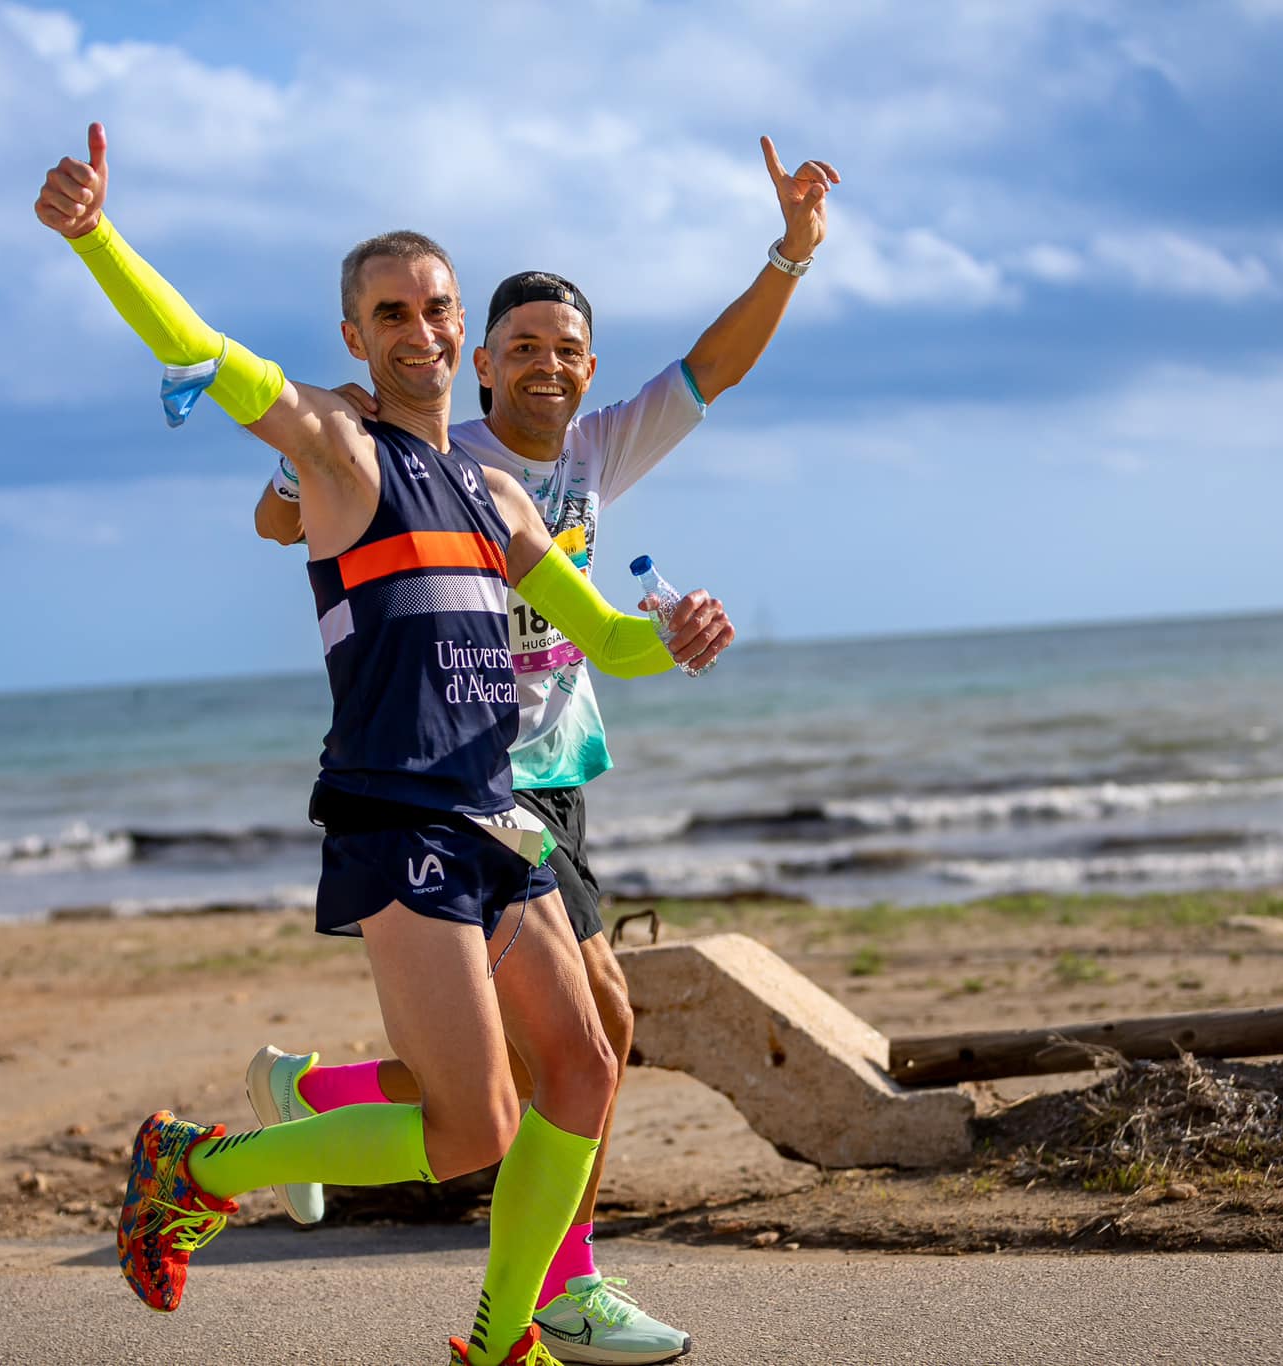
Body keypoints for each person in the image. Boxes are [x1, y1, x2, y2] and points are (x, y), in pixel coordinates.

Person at [34, 123, 730, 1366]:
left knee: (580, 1069)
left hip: (492, 808)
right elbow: (195, 349)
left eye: (439, 308)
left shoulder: (499, 492)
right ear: (354, 335)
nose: (422, 332)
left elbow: (606, 644)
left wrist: (670, 631)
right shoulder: (335, 451)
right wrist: (97, 236)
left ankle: (499, 1340)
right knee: (467, 1130)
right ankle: (193, 1164)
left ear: (462, 325)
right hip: (393, 813)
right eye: (391, 312)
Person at [242, 137, 836, 1364]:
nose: (544, 364)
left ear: (585, 366)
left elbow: (712, 369)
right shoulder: (432, 450)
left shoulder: (590, 454)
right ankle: (554, 1286)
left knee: (546, 1054)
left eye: (565, 348)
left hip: (554, 776)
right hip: (464, 778)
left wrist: (790, 254)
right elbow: (287, 508)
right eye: (520, 346)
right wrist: (302, 468)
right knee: (587, 1036)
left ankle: (323, 1098)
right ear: (480, 359)